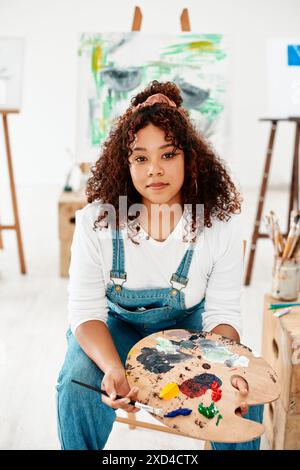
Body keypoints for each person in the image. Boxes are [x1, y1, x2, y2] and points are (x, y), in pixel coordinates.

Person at [55, 80, 264, 450]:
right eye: (140, 157)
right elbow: (85, 312)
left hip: (192, 336)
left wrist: (219, 366)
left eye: (168, 155)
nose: (154, 170)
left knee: (242, 387)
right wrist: (113, 369)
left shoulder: (219, 225)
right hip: (114, 331)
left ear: (190, 157)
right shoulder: (96, 222)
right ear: (125, 162)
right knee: (75, 379)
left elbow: (223, 314)